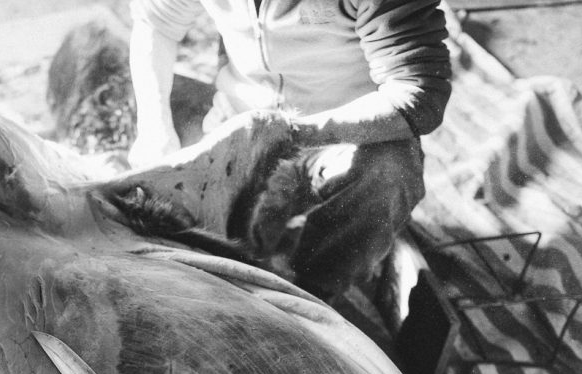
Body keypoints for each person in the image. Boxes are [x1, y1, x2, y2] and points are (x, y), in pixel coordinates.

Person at [127, 0, 452, 299]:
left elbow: (418, 92)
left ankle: (315, 289)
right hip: (239, 120)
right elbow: (155, 23)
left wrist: (292, 132)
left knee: (388, 174)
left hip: (347, 133)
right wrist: (154, 129)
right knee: (189, 258)